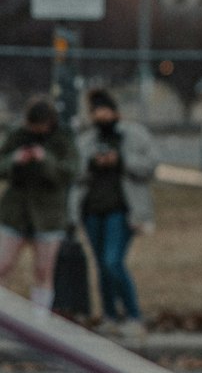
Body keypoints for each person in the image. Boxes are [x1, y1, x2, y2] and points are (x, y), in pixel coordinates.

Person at [76, 87, 157, 339]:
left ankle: (134, 316)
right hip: (92, 209)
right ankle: (110, 316)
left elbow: (151, 165)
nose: (100, 117)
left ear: (115, 111)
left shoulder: (133, 135)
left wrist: (120, 160)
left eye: (104, 111)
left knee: (113, 262)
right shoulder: (86, 140)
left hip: (122, 209)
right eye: (95, 112)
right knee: (101, 265)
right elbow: (74, 173)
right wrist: (93, 162)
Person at [0, 96, 78, 312]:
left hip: (48, 215)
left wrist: (46, 160)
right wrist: (15, 160)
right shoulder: (18, 135)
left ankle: (40, 321)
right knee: (3, 266)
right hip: (16, 212)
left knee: (43, 271)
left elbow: (71, 172)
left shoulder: (63, 138)